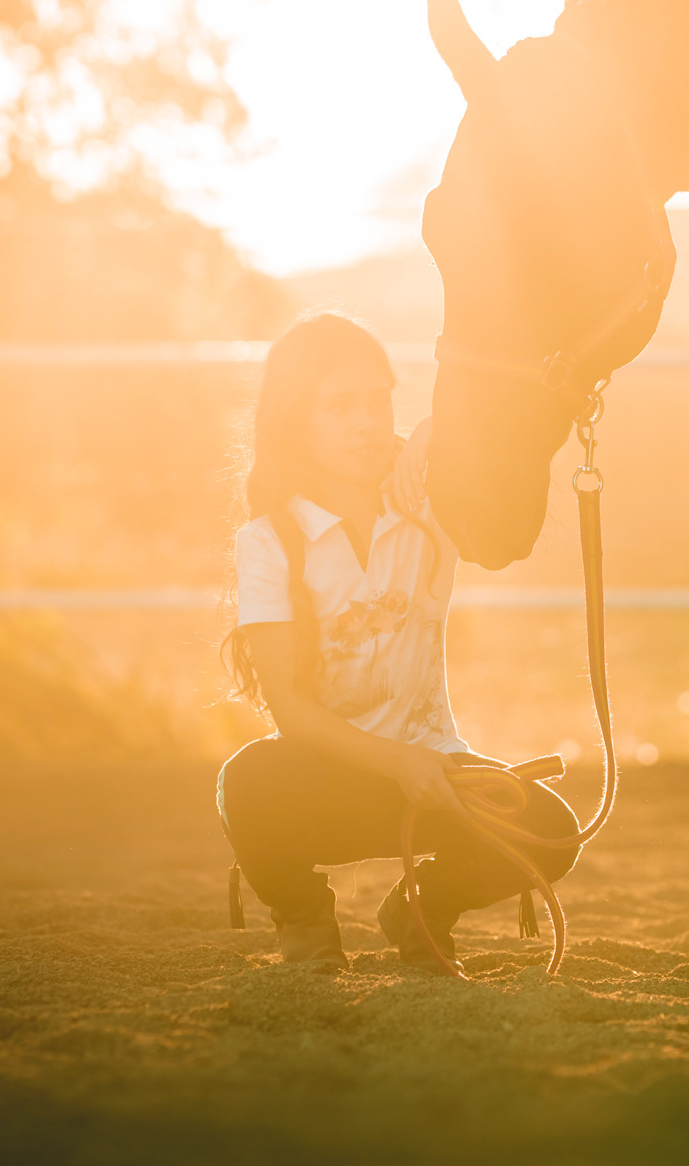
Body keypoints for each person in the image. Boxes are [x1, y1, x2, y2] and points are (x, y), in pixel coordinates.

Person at [216, 313, 578, 968]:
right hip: (327, 780)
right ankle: (306, 924)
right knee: (244, 783)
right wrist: (396, 763)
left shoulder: (430, 503)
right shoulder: (267, 542)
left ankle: (421, 909)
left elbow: (510, 446)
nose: (367, 422)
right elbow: (290, 711)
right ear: (295, 420)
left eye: (379, 401)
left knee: (552, 830)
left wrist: (439, 430)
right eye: (339, 406)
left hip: (433, 769)